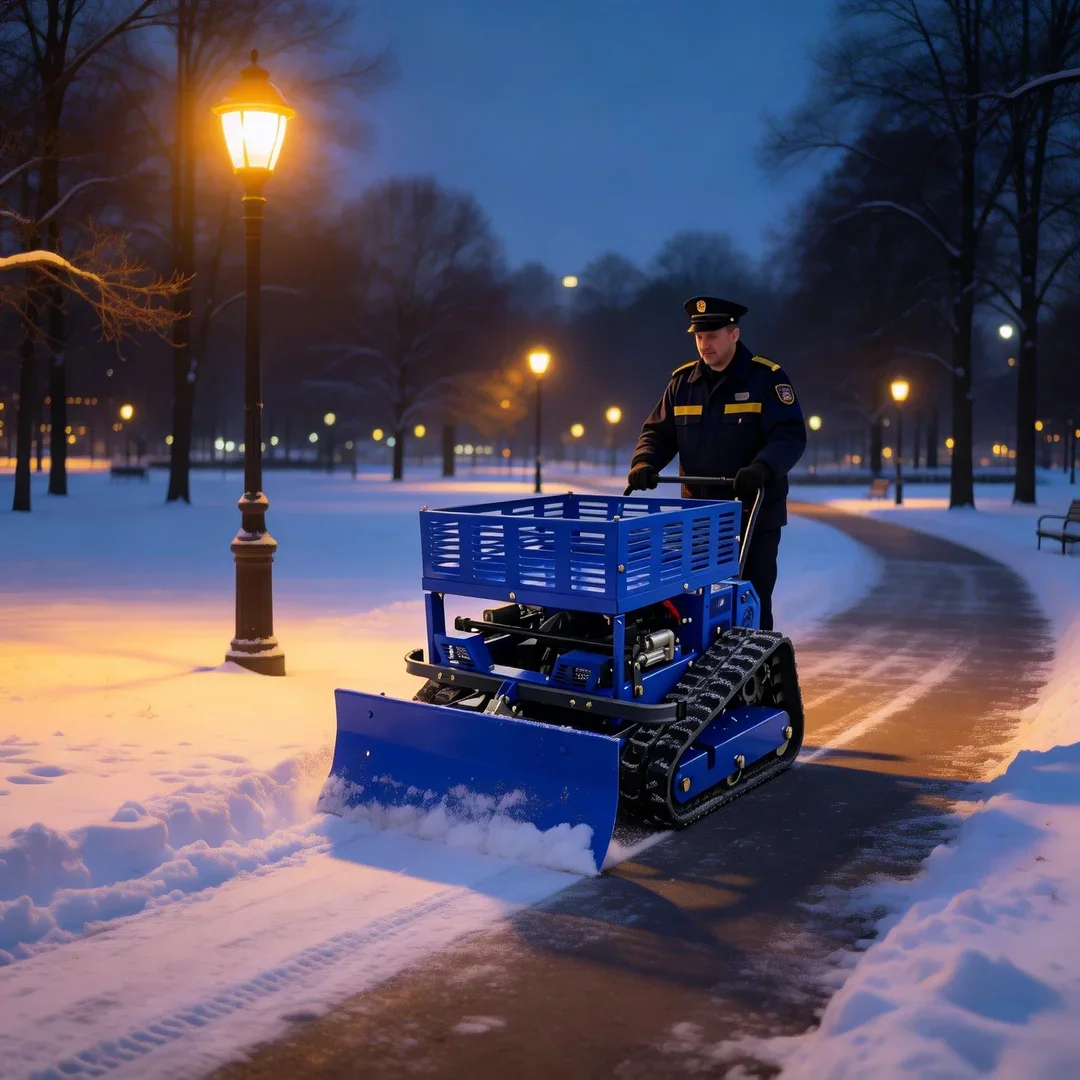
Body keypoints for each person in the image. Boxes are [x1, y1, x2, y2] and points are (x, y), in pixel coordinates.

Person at [627, 296, 806, 631]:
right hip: (700, 518)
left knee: (749, 601)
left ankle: (756, 669)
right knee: (695, 605)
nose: (704, 344)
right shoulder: (682, 384)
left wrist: (762, 469)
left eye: (712, 336)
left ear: (734, 334)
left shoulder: (766, 379)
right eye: (699, 337)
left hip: (753, 515)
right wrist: (644, 462)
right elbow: (656, 432)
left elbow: (789, 437)